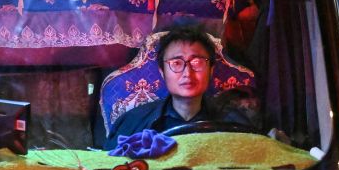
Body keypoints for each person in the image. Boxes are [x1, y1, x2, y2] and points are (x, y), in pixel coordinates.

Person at [104, 25, 253, 149]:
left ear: (211, 70)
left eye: (197, 62)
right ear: (162, 72)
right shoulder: (133, 122)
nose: (188, 73)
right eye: (176, 63)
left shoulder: (234, 124)